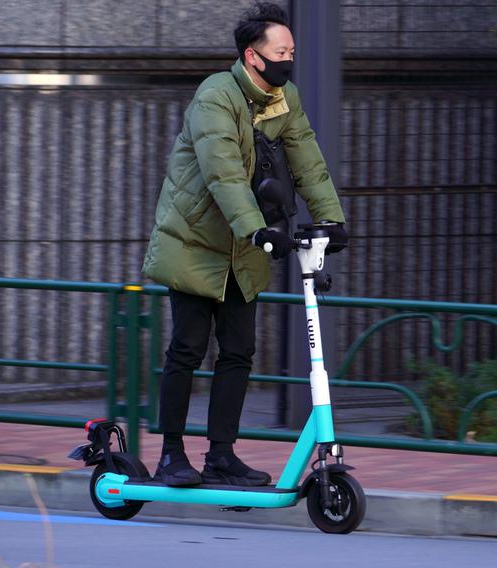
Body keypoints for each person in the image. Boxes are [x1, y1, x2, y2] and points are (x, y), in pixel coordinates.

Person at [141, 1, 348, 487]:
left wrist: (332, 219)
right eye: (282, 51)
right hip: (194, 242)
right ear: (253, 57)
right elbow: (224, 174)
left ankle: (221, 455)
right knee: (187, 350)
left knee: (238, 351)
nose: (289, 59)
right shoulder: (216, 95)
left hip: (247, 246)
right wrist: (256, 227)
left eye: (293, 51)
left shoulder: (284, 97)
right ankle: (171, 455)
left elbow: (306, 157)